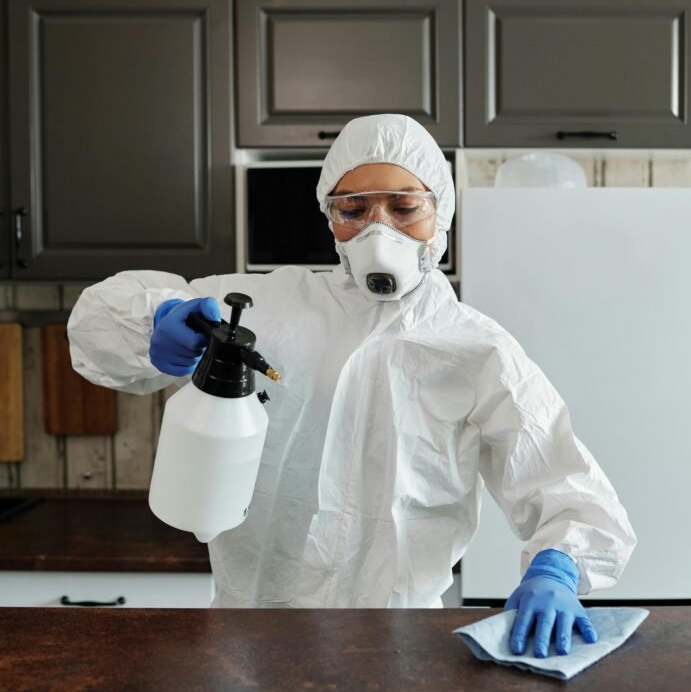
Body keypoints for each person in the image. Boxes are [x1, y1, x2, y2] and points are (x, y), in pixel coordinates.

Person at [67, 113, 636, 657]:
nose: (377, 228)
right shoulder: (267, 308)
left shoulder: (477, 349)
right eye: (353, 209)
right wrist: (156, 322)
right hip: (251, 633)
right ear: (329, 217)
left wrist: (558, 567)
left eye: (404, 207)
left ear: (441, 213)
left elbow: (564, 482)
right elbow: (99, 326)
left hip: (401, 642)